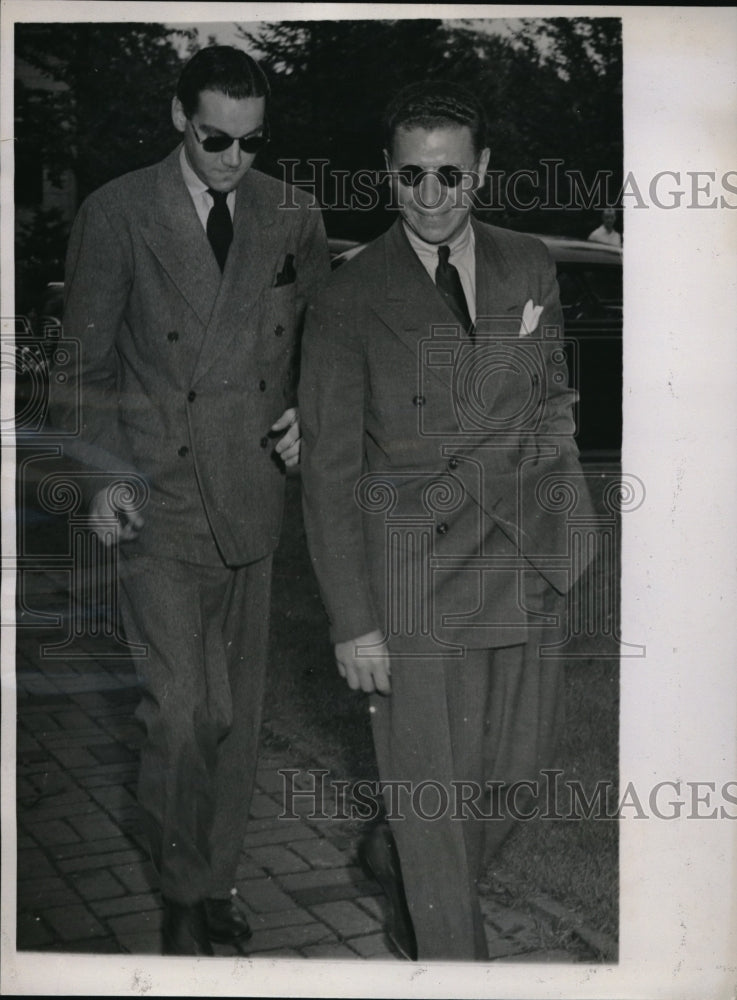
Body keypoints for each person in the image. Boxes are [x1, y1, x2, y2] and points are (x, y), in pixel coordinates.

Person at [299, 81, 596, 961]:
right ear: (387, 177)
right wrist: (353, 622)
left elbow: (550, 401)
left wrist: (565, 529)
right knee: (435, 802)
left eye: (450, 178)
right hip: (413, 581)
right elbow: (327, 471)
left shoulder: (525, 261)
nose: (430, 198)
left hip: (524, 560)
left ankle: (393, 856)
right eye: (410, 177)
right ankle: (451, 958)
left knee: (511, 783)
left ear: (482, 173)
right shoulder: (348, 298)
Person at [49, 45, 330, 955]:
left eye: (251, 142)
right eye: (215, 138)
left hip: (250, 495)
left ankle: (216, 881)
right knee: (183, 711)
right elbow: (81, 369)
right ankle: (178, 885)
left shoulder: (291, 212)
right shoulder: (117, 212)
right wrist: (100, 478)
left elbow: (320, 347)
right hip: (155, 496)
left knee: (236, 720)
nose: (233, 159)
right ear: (180, 118)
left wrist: (308, 416)